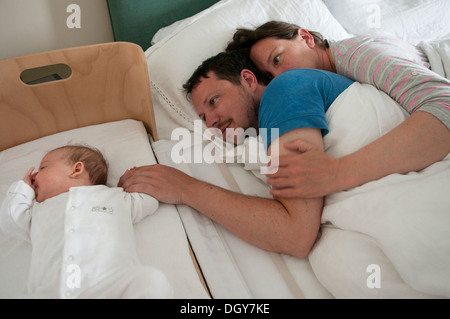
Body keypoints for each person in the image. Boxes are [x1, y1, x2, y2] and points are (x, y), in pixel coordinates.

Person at [119, 51, 354, 258]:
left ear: (248, 80)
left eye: (214, 101)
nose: (211, 121)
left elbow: (296, 234)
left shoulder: (283, 90)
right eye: (203, 118)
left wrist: (183, 188)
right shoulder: (265, 135)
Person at [226, 21, 450, 199]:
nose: (280, 77)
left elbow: (445, 105)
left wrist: (337, 172)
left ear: (305, 38)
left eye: (277, 58)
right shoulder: (333, 78)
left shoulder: (360, 56)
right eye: (269, 77)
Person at [0, 145, 173, 299]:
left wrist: (132, 180)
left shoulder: (116, 197)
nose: (35, 175)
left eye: (43, 167)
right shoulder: (38, 210)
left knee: (151, 281)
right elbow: (10, 219)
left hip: (106, 284)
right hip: (50, 290)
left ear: (76, 169)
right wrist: (22, 188)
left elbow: (149, 200)